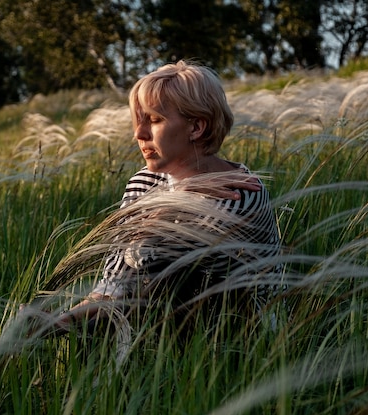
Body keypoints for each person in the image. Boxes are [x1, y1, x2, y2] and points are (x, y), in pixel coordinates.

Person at [32, 60, 282, 336]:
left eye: (153, 120)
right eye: (138, 121)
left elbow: (151, 268)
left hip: (237, 335)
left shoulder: (241, 193)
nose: (138, 134)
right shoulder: (145, 182)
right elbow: (115, 283)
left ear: (196, 127)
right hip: (160, 323)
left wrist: (168, 205)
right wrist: (62, 321)